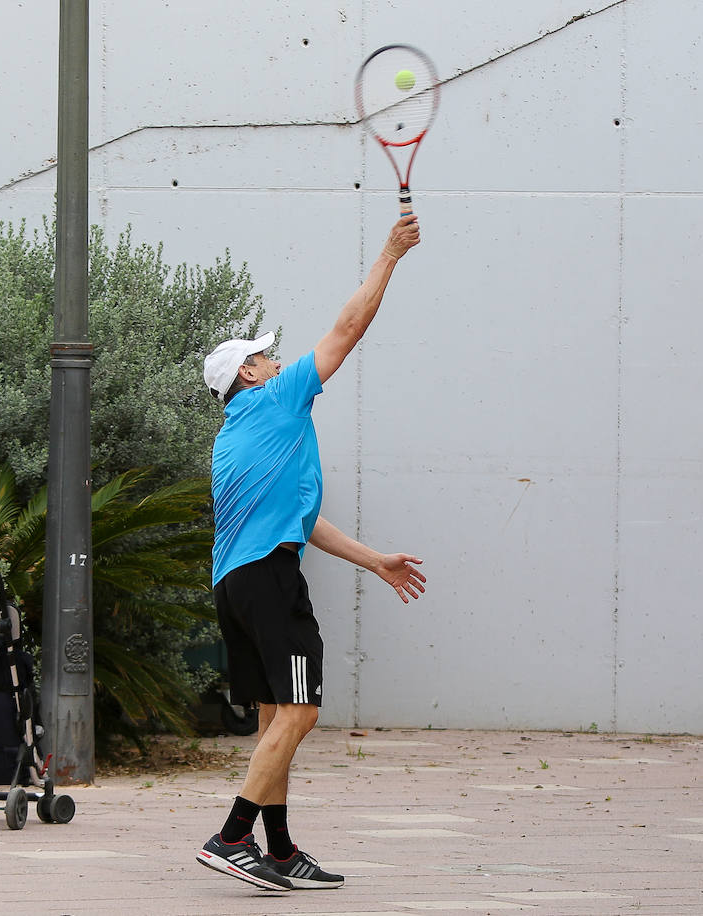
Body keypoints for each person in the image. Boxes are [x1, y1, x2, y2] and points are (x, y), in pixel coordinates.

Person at [194, 214, 427, 892]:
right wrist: (388, 254)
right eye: (264, 354)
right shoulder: (276, 402)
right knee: (302, 712)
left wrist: (374, 560)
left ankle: (280, 847)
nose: (276, 358)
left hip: (236, 586)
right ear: (249, 373)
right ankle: (231, 836)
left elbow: (305, 521)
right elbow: (348, 330)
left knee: (275, 718)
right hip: (270, 582)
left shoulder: (235, 437)